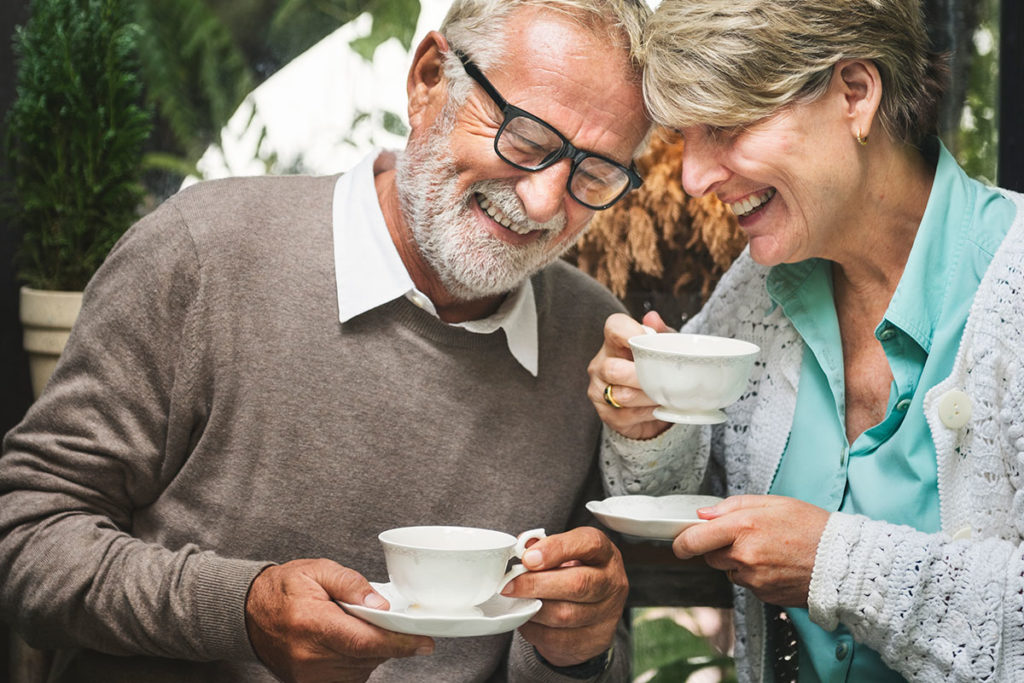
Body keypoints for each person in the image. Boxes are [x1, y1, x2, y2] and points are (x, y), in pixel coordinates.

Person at [0, 1, 653, 681]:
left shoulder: (592, 341)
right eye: (525, 138)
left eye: (597, 172)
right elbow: (26, 536)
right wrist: (242, 610)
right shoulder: (204, 251)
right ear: (429, 79)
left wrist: (578, 650)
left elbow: (579, 643)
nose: (547, 201)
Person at [587, 0, 1024, 681]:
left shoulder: (1014, 279)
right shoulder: (759, 287)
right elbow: (678, 488)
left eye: (725, 125)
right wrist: (649, 422)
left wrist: (836, 562)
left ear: (855, 93)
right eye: (685, 136)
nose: (694, 177)